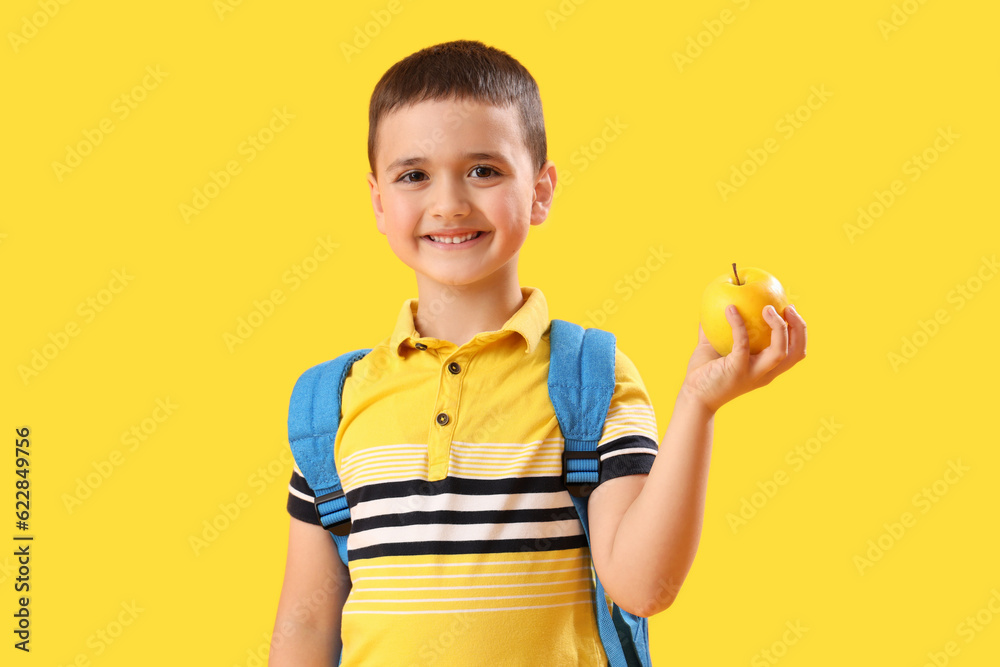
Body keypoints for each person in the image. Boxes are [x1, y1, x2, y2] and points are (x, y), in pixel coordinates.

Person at [269, 39, 807, 666]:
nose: (449, 202)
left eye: (484, 170)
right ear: (379, 201)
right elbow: (305, 626)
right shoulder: (330, 405)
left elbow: (642, 587)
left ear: (541, 191)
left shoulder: (590, 381)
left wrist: (699, 404)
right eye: (414, 175)